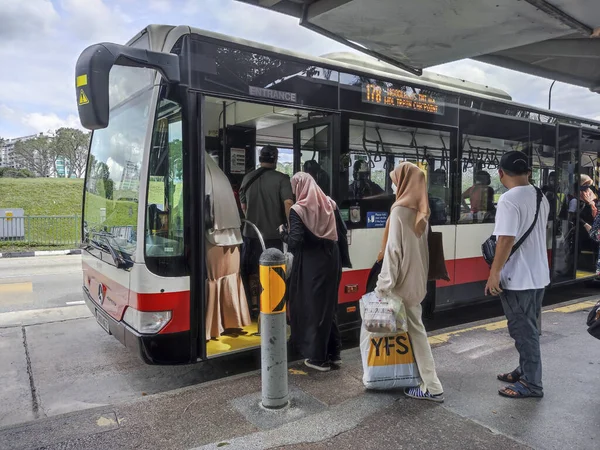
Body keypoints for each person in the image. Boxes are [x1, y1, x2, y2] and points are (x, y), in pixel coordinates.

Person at [375, 162, 444, 403]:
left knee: (415, 333)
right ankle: (418, 379)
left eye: (395, 180)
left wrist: (383, 286)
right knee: (414, 330)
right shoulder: (421, 212)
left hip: (401, 285)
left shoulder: (399, 211)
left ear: (403, 182)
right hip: (417, 282)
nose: (394, 184)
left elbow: (393, 252)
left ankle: (432, 386)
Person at [484, 151, 550, 399]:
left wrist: (494, 272)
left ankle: (532, 384)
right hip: (538, 276)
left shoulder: (509, 199)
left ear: (501, 173)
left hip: (518, 278)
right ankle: (524, 370)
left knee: (524, 331)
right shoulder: (540, 195)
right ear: (528, 172)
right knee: (529, 327)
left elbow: (506, 239)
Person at [279, 172, 351, 372]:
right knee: (329, 306)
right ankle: (334, 353)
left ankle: (318, 358)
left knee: (312, 307)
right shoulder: (330, 203)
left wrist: (283, 233)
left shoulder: (298, 210)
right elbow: (341, 231)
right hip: (332, 259)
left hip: (312, 263)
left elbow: (295, 242)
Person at [239, 145, 294, 316]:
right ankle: (273, 303)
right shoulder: (282, 179)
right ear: (275, 159)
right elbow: (288, 203)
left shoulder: (248, 178)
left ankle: (255, 306)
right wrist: (291, 227)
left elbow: (243, 206)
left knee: (253, 270)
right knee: (275, 271)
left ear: (260, 158)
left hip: (251, 234)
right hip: (274, 236)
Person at [204, 155, 250, 340]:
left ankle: (213, 326)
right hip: (233, 240)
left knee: (214, 280)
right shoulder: (221, 177)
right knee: (230, 279)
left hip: (213, 239)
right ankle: (231, 320)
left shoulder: (204, 178)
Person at [569, 174, 598, 253]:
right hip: (580, 230)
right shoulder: (575, 199)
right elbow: (572, 215)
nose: (587, 187)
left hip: (592, 228)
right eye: (585, 184)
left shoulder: (591, 196)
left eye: (588, 184)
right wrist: (585, 224)